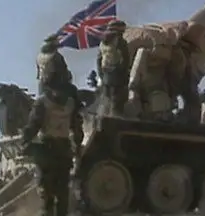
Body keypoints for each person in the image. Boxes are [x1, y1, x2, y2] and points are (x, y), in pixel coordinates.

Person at [21, 84, 83, 216]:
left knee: (47, 193)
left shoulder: (43, 102)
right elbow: (77, 129)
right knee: (61, 194)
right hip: (63, 150)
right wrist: (77, 147)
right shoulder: (70, 104)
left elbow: (34, 124)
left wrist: (25, 141)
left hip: (47, 150)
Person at [96, 20, 130, 117]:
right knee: (118, 98)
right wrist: (125, 72)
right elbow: (126, 58)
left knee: (106, 98)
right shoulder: (120, 41)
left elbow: (99, 59)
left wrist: (101, 74)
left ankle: (103, 117)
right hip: (118, 73)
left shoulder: (102, 42)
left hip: (105, 73)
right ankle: (115, 118)